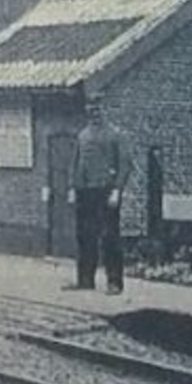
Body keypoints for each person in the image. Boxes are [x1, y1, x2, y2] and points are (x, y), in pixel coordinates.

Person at [67, 100, 133, 295]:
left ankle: (114, 282)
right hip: (85, 192)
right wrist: (73, 187)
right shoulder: (82, 135)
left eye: (97, 110)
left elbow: (125, 164)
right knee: (85, 236)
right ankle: (85, 279)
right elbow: (76, 162)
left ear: (104, 111)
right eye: (90, 110)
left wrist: (117, 190)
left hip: (106, 191)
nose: (94, 114)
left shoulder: (116, 135)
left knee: (109, 237)